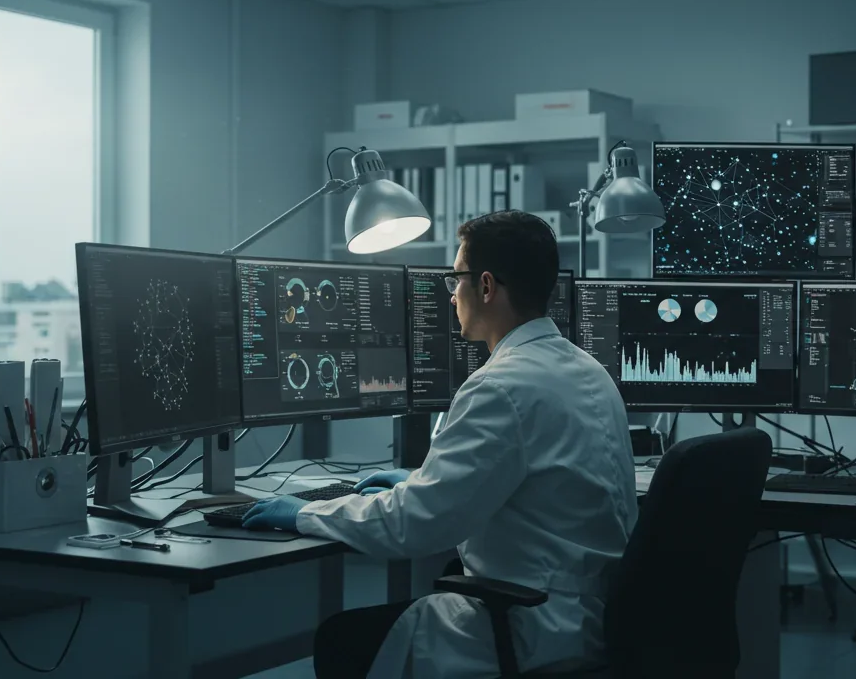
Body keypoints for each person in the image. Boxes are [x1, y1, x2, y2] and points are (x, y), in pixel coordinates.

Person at [242, 210, 637, 679]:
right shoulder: (589, 371)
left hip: (531, 625)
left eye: (456, 280)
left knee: (343, 639)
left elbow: (412, 526)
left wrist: (303, 513)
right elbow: (535, 484)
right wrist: (419, 481)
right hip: (592, 616)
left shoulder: (499, 387)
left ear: (486, 287)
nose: (452, 295)